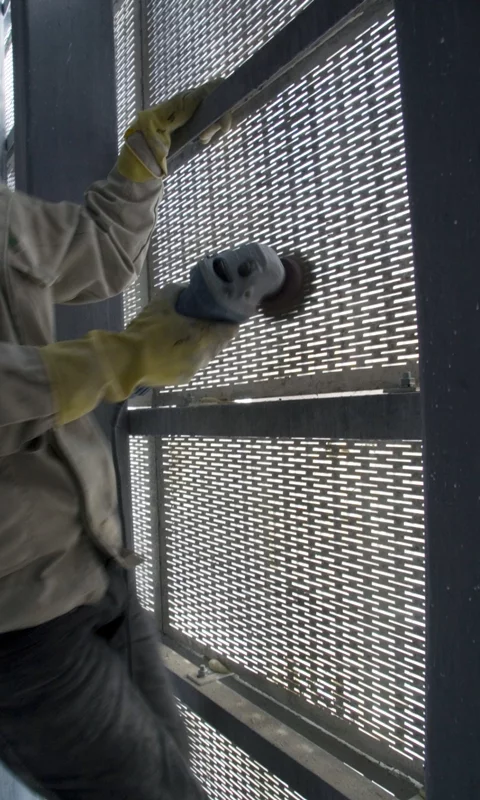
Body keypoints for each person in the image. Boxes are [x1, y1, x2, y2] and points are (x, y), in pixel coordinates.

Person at [0, 82, 235, 799]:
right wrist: (120, 359)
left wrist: (144, 152)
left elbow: (96, 251)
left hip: (95, 563)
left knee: (169, 759)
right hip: (19, 627)